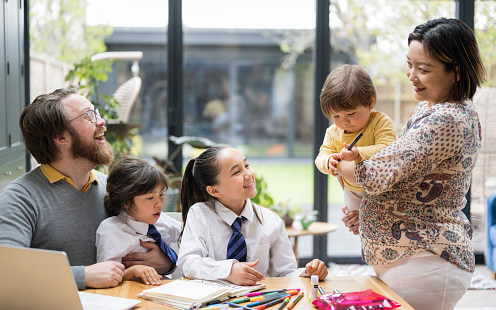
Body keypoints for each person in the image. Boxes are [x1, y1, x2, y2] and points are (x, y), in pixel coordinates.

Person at [335, 18, 485, 310]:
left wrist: (338, 164)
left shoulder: (447, 118)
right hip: (411, 259)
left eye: (423, 69)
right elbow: (403, 178)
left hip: (425, 260)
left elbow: (375, 174)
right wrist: (366, 213)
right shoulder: (429, 108)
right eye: (409, 64)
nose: (411, 75)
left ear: (456, 71)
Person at [0, 88, 171, 290]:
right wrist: (83, 275)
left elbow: (152, 235)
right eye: (89, 116)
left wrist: (166, 262)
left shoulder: (115, 188)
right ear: (60, 137)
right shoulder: (21, 197)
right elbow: (2, 273)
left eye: (96, 113)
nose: (101, 121)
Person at [176, 145, 329, 286]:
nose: (248, 174)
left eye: (247, 165)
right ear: (214, 190)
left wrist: (308, 273)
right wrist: (228, 271)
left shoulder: (271, 220)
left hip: (261, 301)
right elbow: (188, 262)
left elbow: (285, 274)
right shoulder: (200, 214)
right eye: (237, 172)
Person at [315, 64, 395, 219]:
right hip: (352, 192)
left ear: (371, 102)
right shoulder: (332, 132)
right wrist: (329, 161)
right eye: (336, 116)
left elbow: (389, 149)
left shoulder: (380, 122)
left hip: (382, 191)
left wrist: (359, 154)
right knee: (358, 225)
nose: (344, 122)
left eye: (351, 113)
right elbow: (320, 157)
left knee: (379, 223)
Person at [96, 156, 182, 286]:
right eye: (150, 198)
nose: (159, 203)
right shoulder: (111, 230)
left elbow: (184, 231)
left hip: (160, 289)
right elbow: (107, 275)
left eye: (161, 194)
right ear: (126, 201)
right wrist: (133, 271)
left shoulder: (160, 219)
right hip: (126, 292)